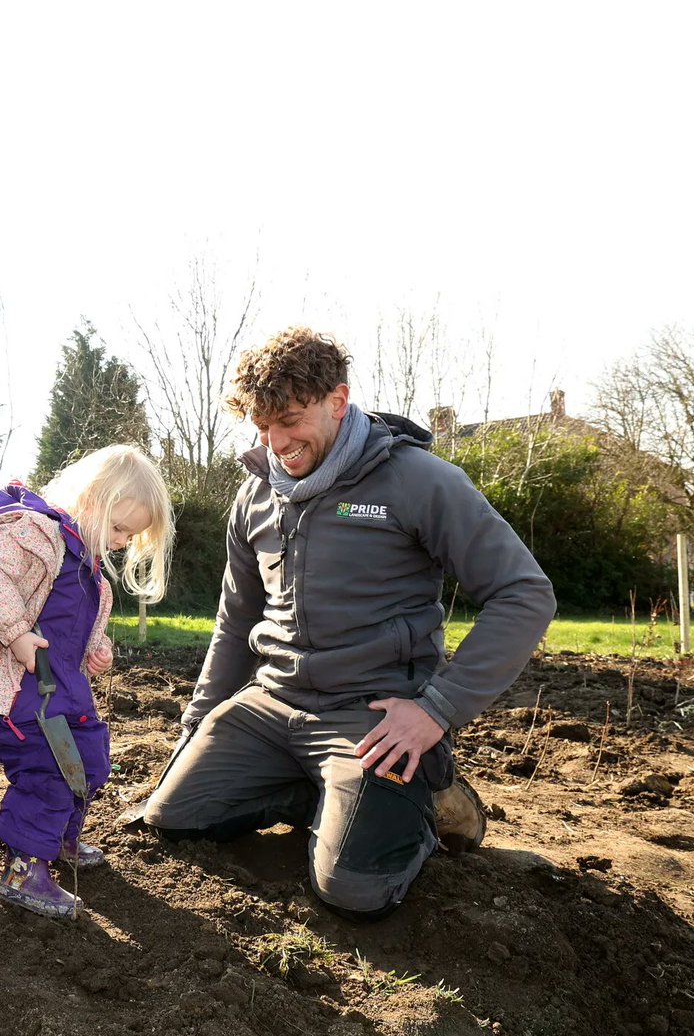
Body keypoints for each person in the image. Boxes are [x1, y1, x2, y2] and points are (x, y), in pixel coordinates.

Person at [140, 327, 555, 919]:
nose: (276, 441)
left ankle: (425, 796)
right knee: (174, 818)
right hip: (272, 704)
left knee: (354, 891)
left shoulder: (418, 480)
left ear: (337, 400)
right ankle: (333, 794)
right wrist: (196, 723)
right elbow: (236, 620)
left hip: (371, 714)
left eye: (289, 419)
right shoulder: (255, 495)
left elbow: (524, 594)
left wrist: (435, 710)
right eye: (262, 427)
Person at [0, 446, 173, 918]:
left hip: (59, 692)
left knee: (90, 759)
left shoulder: (87, 567)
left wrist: (95, 649)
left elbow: (69, 624)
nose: (123, 541)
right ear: (90, 501)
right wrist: (15, 632)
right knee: (48, 771)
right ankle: (24, 871)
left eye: (131, 534)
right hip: (12, 694)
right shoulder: (36, 534)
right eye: (119, 527)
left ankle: (58, 836)